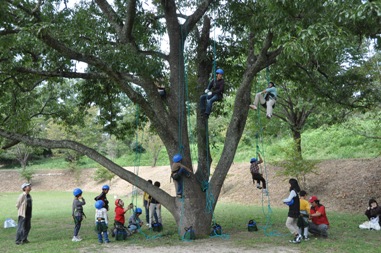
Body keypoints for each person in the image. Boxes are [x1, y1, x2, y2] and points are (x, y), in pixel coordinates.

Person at [283, 178, 302, 244]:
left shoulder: (293, 191)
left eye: (290, 184)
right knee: (294, 224)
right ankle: (297, 238)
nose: (289, 185)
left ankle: (297, 235)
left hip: (293, 211)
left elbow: (289, 199)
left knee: (288, 224)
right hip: (296, 210)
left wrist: (283, 200)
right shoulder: (296, 191)